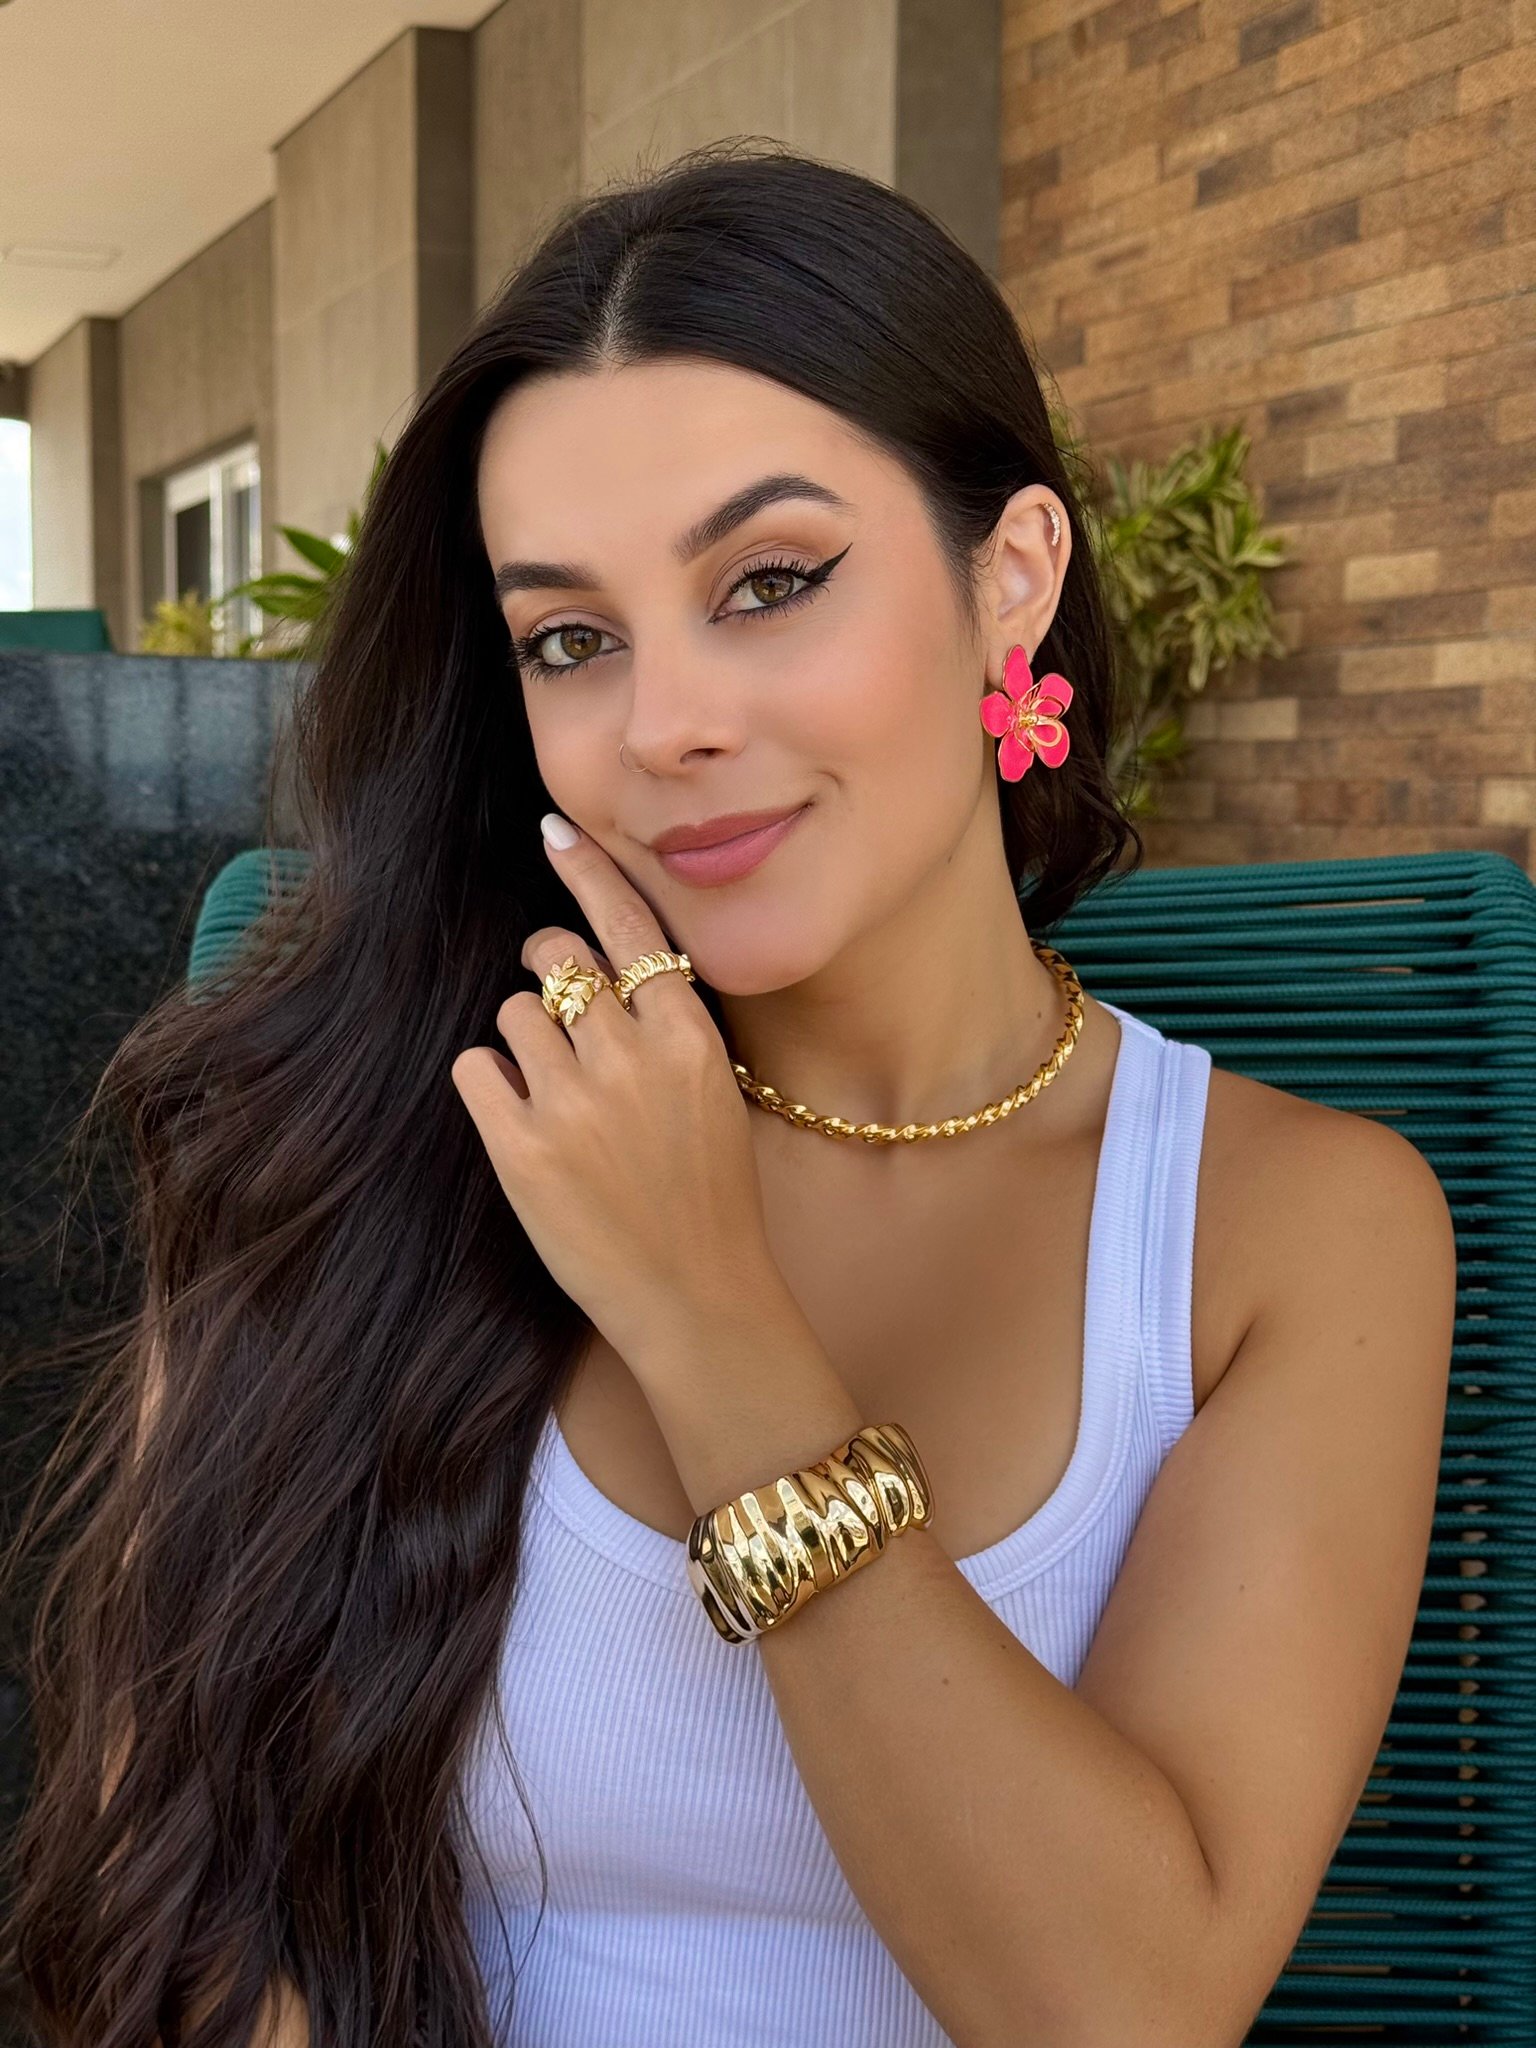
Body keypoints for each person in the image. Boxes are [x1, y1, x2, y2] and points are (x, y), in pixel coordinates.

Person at [4, 138, 1456, 2048]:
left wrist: (706, 1311)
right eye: (571, 640)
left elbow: (1121, 2008)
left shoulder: (1293, 1229)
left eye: (770, 582)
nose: (665, 725)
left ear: (1012, 578)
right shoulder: (364, 1132)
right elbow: (180, 1899)